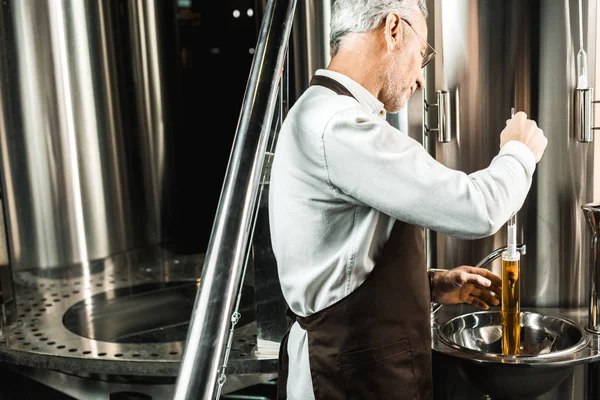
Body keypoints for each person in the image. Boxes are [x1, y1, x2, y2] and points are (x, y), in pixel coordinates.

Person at [268, 0, 548, 399]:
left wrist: (430, 284)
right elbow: (478, 209)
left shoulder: (320, 113)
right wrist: (519, 152)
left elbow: (339, 262)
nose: (419, 79)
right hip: (349, 377)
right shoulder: (340, 125)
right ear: (393, 29)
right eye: (422, 55)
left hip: (355, 364)